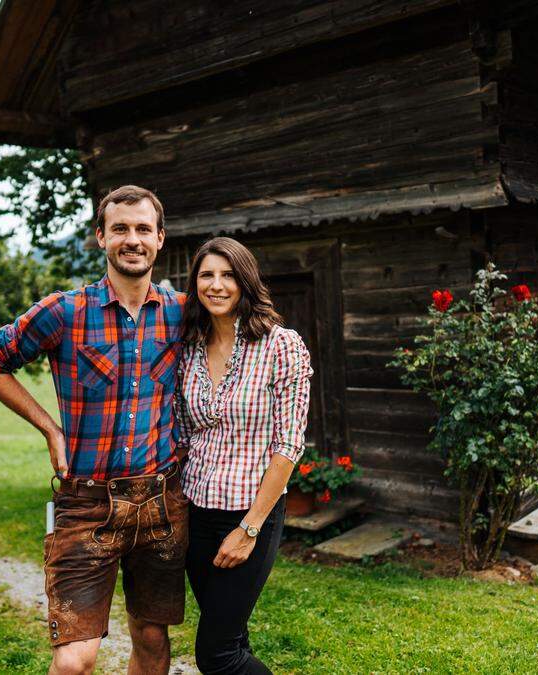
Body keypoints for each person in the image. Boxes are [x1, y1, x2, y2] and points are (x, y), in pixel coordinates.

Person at [0, 185, 188, 675]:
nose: (132, 239)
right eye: (120, 229)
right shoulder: (64, 311)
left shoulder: (181, 312)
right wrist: (49, 427)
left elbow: (244, 320)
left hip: (161, 502)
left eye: (143, 230)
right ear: (100, 238)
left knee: (152, 639)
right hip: (85, 504)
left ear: (160, 239)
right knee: (74, 660)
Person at [176, 237, 313, 674]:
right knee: (233, 639)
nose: (216, 285)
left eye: (228, 275)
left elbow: (288, 445)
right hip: (196, 514)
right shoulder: (189, 348)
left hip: (249, 514)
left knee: (216, 656)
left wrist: (249, 528)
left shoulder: (280, 346)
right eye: (206, 275)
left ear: (246, 282)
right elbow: (184, 433)